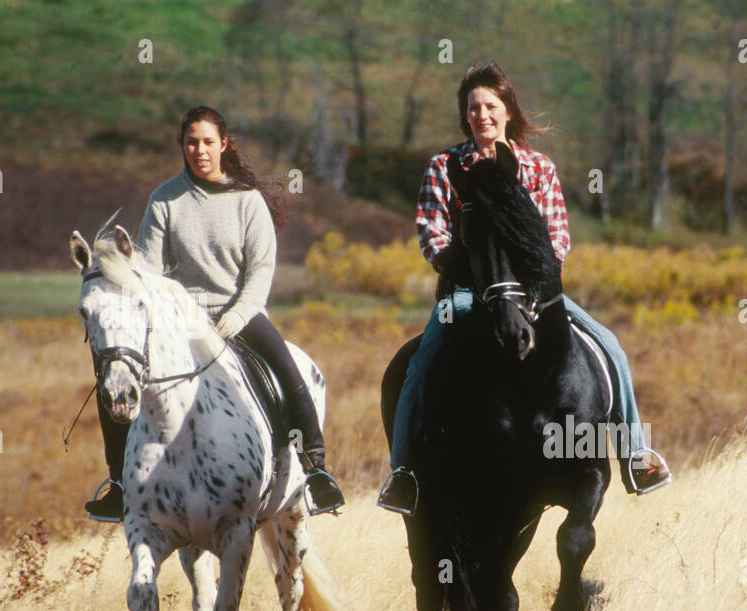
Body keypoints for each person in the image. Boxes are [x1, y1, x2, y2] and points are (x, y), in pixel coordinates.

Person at [377, 60, 671, 515]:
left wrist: (530, 285)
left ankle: (634, 456)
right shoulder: (445, 166)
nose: (482, 115)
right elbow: (431, 234)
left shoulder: (538, 167)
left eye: (490, 106)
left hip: (533, 290)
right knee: (419, 365)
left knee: (611, 346)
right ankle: (404, 473)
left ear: (507, 110)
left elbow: (557, 236)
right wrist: (467, 270)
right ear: (464, 114)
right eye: (473, 107)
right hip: (465, 292)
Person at [85, 105, 344, 520]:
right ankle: (118, 483)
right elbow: (149, 267)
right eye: (191, 143)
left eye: (207, 142)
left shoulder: (248, 201)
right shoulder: (164, 199)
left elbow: (261, 271)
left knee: (288, 368)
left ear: (224, 144)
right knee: (116, 379)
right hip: (180, 320)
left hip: (240, 314)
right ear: (182, 146)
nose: (199, 150)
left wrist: (239, 316)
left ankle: (316, 471)